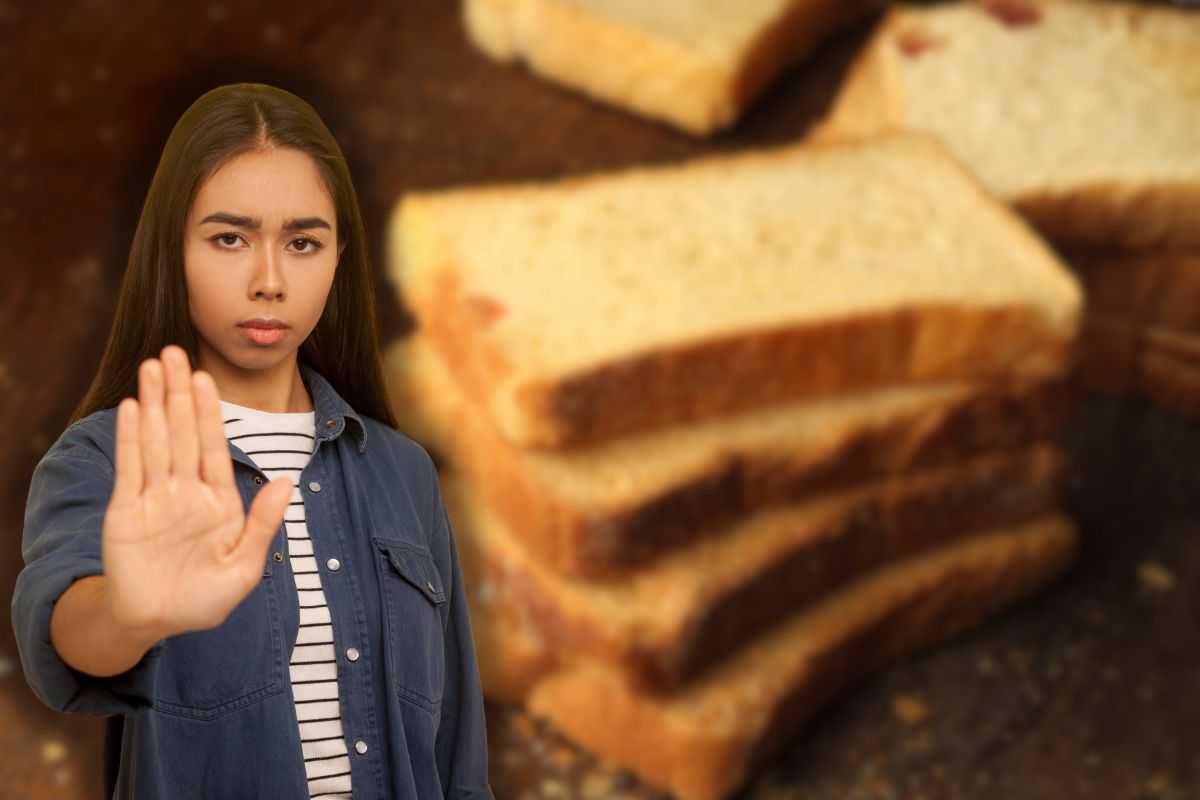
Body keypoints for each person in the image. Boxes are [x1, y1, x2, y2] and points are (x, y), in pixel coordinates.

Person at [10, 82, 493, 800]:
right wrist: (128, 612)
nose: (269, 281)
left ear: (338, 260)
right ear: (172, 251)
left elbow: (458, 754)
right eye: (229, 238)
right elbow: (65, 641)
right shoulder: (107, 455)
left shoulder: (404, 472)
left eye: (302, 242)